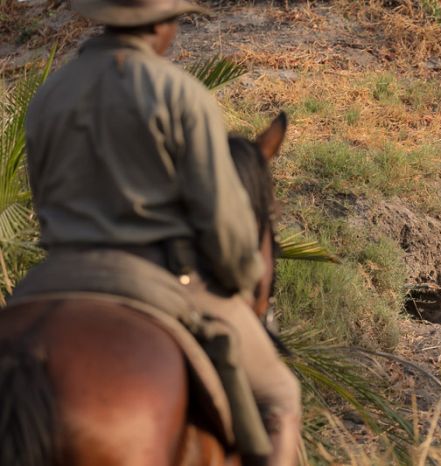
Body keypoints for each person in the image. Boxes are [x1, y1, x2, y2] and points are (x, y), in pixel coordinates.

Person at [15, 0, 301, 463]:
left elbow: (42, 199)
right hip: (157, 279)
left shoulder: (49, 95)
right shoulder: (179, 93)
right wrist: (242, 275)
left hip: (48, 281)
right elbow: (225, 229)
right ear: (163, 24)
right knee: (281, 398)